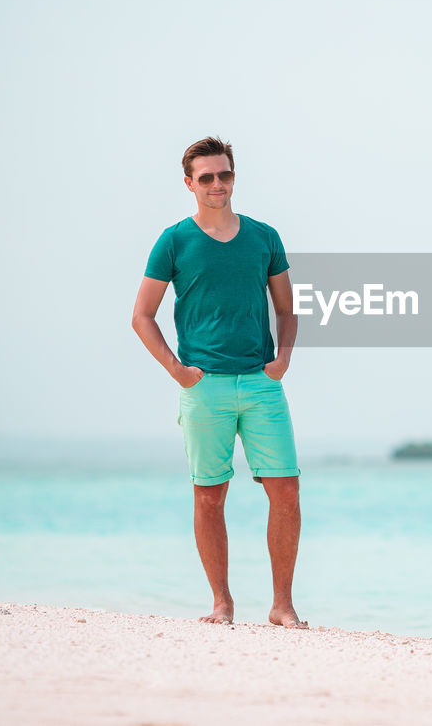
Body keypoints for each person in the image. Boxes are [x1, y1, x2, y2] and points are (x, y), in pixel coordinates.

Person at [131, 136, 306, 628]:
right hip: (203, 387)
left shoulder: (264, 237)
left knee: (286, 491)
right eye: (205, 177)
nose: (216, 184)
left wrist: (283, 359)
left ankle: (282, 607)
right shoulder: (174, 241)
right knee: (209, 493)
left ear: (234, 177)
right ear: (189, 184)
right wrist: (177, 370)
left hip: (260, 382)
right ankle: (222, 605)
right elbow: (142, 316)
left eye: (223, 175)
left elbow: (287, 308)